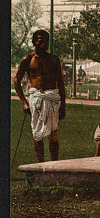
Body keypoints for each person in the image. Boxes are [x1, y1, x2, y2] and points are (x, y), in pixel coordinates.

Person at [13, 29, 66, 162]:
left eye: (46, 41)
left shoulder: (54, 59)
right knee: (38, 134)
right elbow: (16, 80)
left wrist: (63, 106)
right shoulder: (28, 59)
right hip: (36, 98)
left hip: (52, 98)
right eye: (40, 41)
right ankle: (40, 166)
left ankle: (54, 166)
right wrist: (23, 102)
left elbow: (60, 82)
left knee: (54, 135)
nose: (43, 44)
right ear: (33, 42)